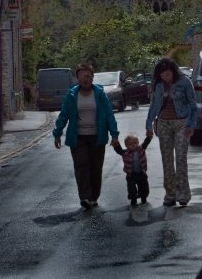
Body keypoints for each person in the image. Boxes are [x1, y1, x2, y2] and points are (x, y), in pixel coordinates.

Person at [53, 62, 120, 209]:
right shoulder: (71, 95)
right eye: (83, 76)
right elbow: (63, 116)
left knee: (96, 168)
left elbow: (109, 115)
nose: (86, 78)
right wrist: (57, 134)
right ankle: (85, 197)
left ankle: (94, 197)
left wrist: (114, 135)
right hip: (78, 137)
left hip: (98, 136)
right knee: (81, 166)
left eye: (89, 76)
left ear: (93, 77)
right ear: (77, 78)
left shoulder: (100, 94)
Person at [145, 57, 197, 207]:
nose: (165, 77)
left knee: (181, 157)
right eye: (162, 75)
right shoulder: (157, 84)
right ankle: (170, 194)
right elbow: (154, 105)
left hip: (182, 122)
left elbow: (193, 105)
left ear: (173, 71)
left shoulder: (185, 81)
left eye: (168, 74)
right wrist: (148, 124)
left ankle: (183, 194)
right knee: (167, 159)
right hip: (163, 123)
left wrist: (191, 125)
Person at [113, 133, 151, 207]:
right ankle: (133, 199)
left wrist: (149, 137)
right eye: (130, 144)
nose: (133, 145)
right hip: (131, 174)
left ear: (138, 143)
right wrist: (115, 143)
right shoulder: (125, 153)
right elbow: (119, 150)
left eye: (135, 143)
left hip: (141, 173)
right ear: (126, 146)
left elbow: (146, 143)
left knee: (143, 186)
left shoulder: (141, 149)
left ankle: (143, 197)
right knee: (131, 188)